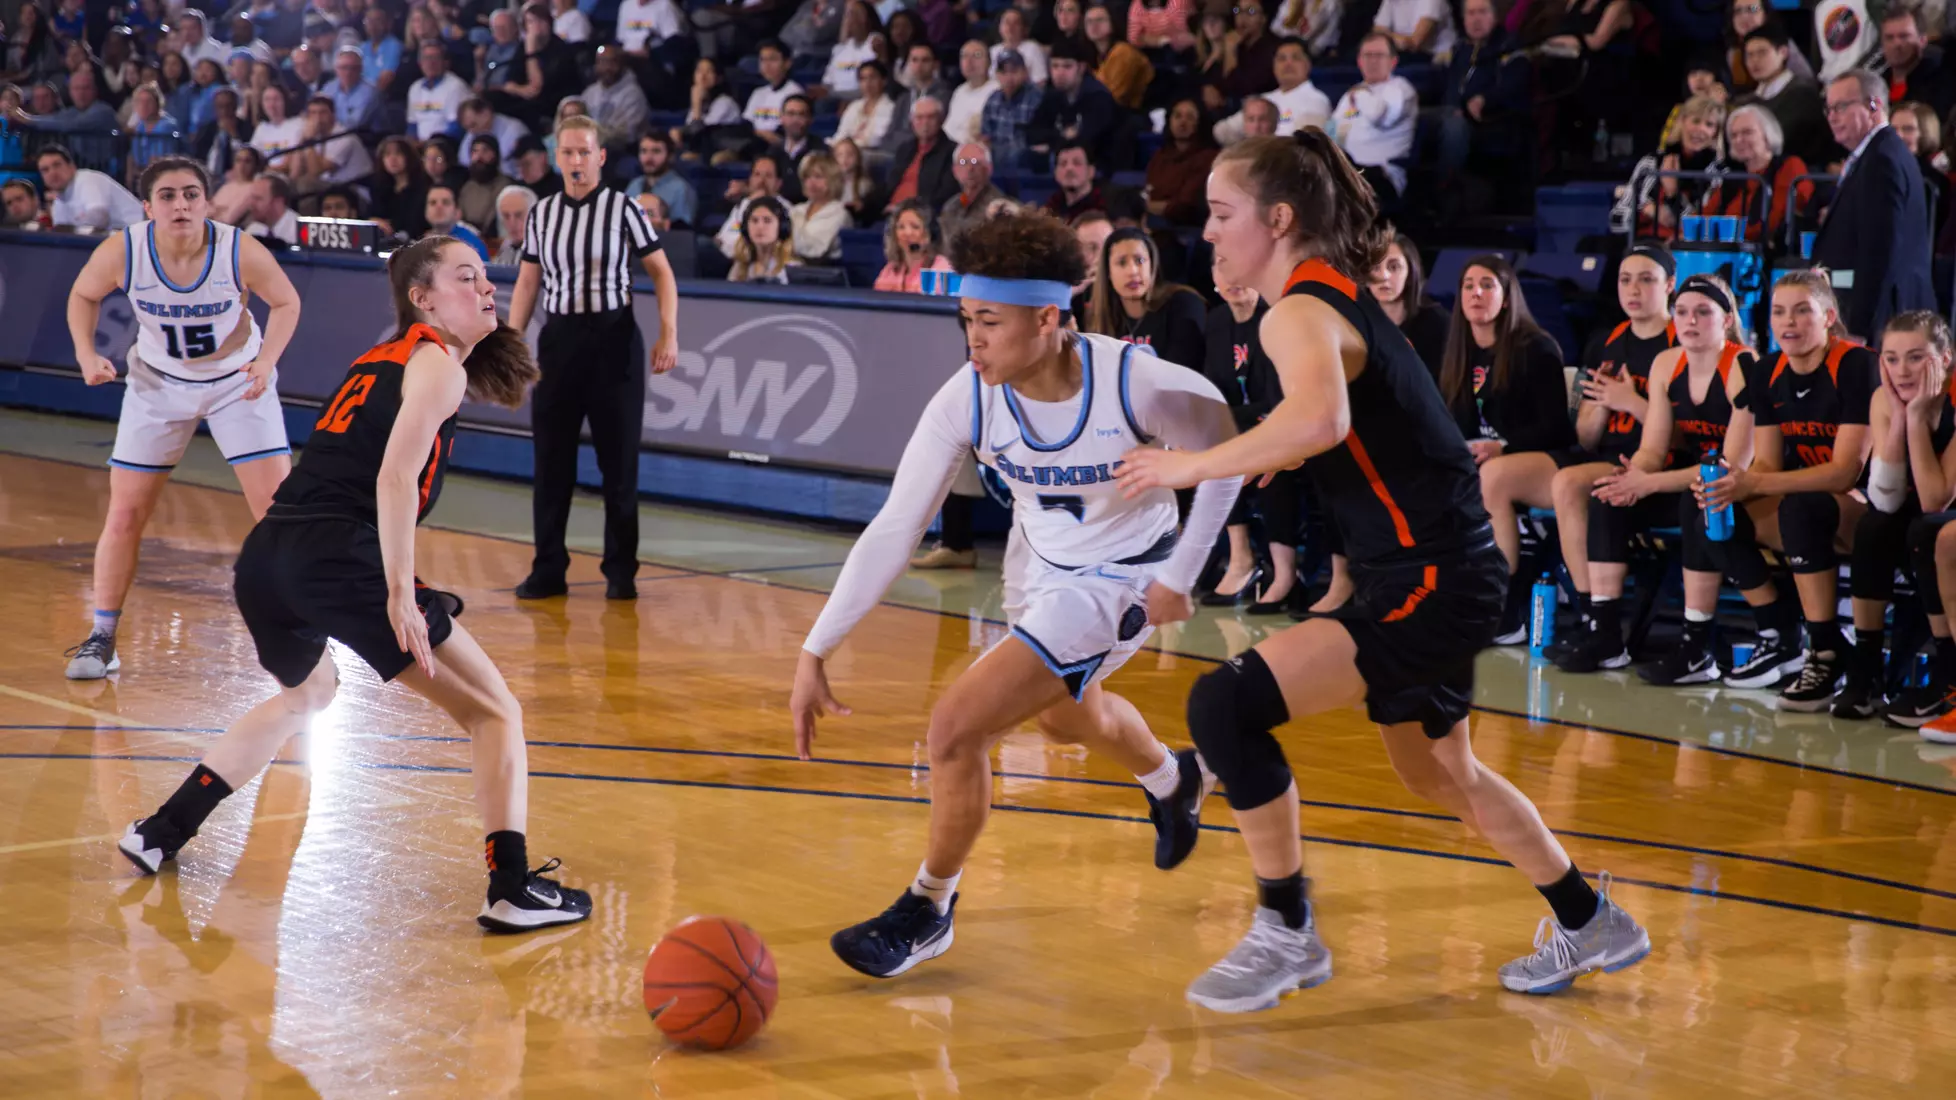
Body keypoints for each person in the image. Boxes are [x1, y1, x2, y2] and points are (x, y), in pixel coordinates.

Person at [1112, 131, 1648, 1011]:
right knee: (1441, 774)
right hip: (1445, 570)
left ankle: (1285, 931)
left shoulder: (1300, 311)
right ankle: (1589, 917)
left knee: (1222, 705)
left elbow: (1318, 422)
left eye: (1219, 214)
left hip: (1431, 577)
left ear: (1278, 220)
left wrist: (1184, 468)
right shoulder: (1320, 300)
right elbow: (1327, 429)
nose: (1204, 232)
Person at [790, 210, 1243, 978]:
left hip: (1124, 573)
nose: (973, 340)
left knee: (956, 728)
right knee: (1066, 716)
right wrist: (816, 647)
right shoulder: (967, 395)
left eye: (990, 322)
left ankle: (928, 906)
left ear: (1048, 318)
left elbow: (1229, 453)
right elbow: (899, 523)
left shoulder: (1136, 380)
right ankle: (1178, 779)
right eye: (966, 319)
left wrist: (1180, 574)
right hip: (1040, 564)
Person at [116, 234, 593, 935]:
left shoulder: (379, 359)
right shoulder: (436, 366)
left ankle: (162, 828)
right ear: (421, 299)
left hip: (269, 557)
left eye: (485, 276)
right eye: (466, 278)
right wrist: (400, 590)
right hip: (336, 559)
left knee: (308, 694)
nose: (486, 287)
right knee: (496, 713)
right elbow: (393, 478)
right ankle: (510, 888)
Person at [60, 157, 302, 680]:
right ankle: (102, 638)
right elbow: (83, 295)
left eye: (191, 194)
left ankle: (301, 633)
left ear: (207, 202)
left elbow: (286, 302)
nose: (181, 205)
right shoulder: (125, 249)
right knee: (125, 514)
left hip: (238, 383)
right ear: (147, 208)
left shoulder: (237, 248)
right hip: (158, 386)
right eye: (167, 196)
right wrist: (85, 352)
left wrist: (265, 362)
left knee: (278, 516)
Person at [508, 116, 681, 601]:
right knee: (551, 463)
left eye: (585, 152)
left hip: (614, 341)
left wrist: (669, 333)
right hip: (559, 343)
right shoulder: (541, 214)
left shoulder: (624, 209)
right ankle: (548, 568)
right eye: (568, 152)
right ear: (557, 157)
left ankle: (621, 571)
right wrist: (510, 344)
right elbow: (527, 282)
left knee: (619, 463)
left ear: (600, 157)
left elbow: (662, 273)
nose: (577, 161)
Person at [1697, 270, 1877, 707]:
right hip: (1809, 504)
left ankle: (1826, 650)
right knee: (1709, 503)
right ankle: (1777, 629)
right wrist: (1732, 483)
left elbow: (1844, 474)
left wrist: (1755, 481)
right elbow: (1769, 464)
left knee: (1802, 508)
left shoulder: (1856, 365)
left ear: (1828, 317)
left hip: (1870, 510)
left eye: (1802, 311)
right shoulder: (1769, 370)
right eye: (1779, 312)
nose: (1788, 322)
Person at [1591, 274, 1755, 687]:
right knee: (1608, 495)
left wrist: (1648, 483)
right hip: (1688, 479)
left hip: (1739, 490)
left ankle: (1697, 647)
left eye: (1703, 312)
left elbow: (1732, 466)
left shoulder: (1742, 365)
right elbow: (1653, 446)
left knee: (1695, 499)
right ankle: (1606, 635)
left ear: (1727, 319)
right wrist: (1635, 475)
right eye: (1681, 312)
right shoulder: (1667, 363)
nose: (1690, 320)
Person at [1542, 246, 1680, 671]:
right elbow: (1585, 437)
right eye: (1624, 279)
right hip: (1611, 459)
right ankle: (1592, 618)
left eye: (1646, 279)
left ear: (1669, 286)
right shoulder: (1607, 341)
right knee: (1566, 481)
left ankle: (1598, 624)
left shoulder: (1683, 339)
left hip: (1669, 467)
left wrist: (1630, 401)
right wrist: (1602, 404)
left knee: (1570, 483)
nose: (1633, 289)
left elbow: (1698, 428)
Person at [1438, 254, 1574, 641]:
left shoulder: (1537, 348)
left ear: (1507, 297)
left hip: (1545, 461)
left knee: (1492, 476)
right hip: (1483, 462)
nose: (1476, 294)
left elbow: (1557, 429)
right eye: (1468, 286)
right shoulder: (1459, 353)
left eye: (1486, 285)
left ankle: (1506, 606)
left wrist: (1505, 447)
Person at [1834, 311, 1956, 721]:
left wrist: (1917, 419)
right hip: (1923, 521)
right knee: (1874, 526)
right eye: (1891, 358)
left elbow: (1936, 500)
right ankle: (1866, 670)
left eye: (1916, 357)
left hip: (1943, 523)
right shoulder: (1883, 399)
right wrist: (1900, 418)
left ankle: (1947, 672)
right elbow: (1884, 499)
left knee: (1925, 529)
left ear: (1945, 359)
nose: (1901, 371)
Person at [1809, 69, 1936, 342]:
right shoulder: (1877, 154)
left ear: (1874, 105)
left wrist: (1859, 328)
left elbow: (1880, 250)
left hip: (1882, 321)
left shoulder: (1882, 159)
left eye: (1841, 107)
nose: (1832, 116)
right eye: (1828, 109)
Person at [1085, 226, 1207, 372]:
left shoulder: (1183, 304)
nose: (1133, 271)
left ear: (1152, 265)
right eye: (1122, 263)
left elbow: (1180, 376)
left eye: (1140, 260)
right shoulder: (1102, 318)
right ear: (1108, 273)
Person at [1700, 103, 1814, 247]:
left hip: (1770, 254)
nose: (1739, 140)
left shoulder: (1789, 166)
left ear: (1768, 134)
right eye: (1734, 135)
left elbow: (1777, 218)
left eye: (1747, 132)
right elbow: (1705, 217)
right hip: (1730, 250)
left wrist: (1734, 236)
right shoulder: (1733, 178)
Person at [1327, 33, 1417, 203]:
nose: (1372, 61)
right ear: (1359, 61)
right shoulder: (1351, 94)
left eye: (1379, 55)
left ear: (1393, 61)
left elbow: (1379, 116)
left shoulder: (1401, 89)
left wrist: (1361, 94)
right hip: (1348, 171)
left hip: (1382, 176)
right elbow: (1332, 132)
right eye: (1367, 55)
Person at [1738, 23, 1830, 168]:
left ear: (1783, 52)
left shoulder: (1802, 94)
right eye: (1749, 55)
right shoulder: (1746, 101)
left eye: (1762, 53)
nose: (1754, 61)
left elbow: (1784, 139)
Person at [1367, 228, 1447, 377]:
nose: (1383, 276)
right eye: (1375, 267)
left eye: (1394, 267)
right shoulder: (1358, 325)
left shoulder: (1438, 324)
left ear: (1411, 274)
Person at [1028, 39, 1116, 163]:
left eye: (1067, 66)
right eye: (1055, 66)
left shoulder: (1098, 97)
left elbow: (1089, 139)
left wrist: (1051, 143)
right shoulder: (1052, 95)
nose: (1060, 73)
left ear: (1081, 68)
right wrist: (1063, 136)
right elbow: (1033, 133)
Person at [875, 94, 958, 215]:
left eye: (930, 117)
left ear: (941, 120)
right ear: (912, 121)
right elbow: (889, 186)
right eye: (919, 118)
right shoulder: (905, 149)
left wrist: (905, 209)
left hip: (920, 217)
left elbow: (945, 196)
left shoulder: (953, 152)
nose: (925, 123)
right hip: (889, 214)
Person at [38, 144, 146, 231]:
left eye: (57, 165)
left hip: (143, 235)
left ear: (72, 166)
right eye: (45, 170)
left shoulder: (87, 179)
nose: (52, 173)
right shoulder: (59, 201)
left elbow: (99, 217)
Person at [1148, 98, 1218, 227]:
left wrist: (1146, 206)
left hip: (1186, 229)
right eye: (1177, 116)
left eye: (1190, 117)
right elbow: (1150, 191)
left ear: (1199, 123)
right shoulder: (1160, 155)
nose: (1182, 122)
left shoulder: (1207, 158)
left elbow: (1185, 207)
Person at [873, 198, 953, 291]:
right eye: (901, 227)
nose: (907, 233)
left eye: (915, 227)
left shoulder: (942, 268)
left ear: (930, 233)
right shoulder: (890, 269)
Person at [1084, 4, 1152, 109]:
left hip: (1132, 114)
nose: (1094, 25)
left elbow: (1114, 96)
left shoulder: (1123, 52)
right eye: (1089, 21)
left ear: (1113, 23)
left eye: (1100, 20)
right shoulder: (1098, 56)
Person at [980, 48, 1039, 171]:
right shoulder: (992, 100)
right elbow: (986, 138)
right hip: (997, 161)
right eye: (1003, 72)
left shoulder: (1036, 98)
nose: (1009, 77)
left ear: (1024, 72)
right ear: (996, 75)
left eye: (1014, 71)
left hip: (1026, 164)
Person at [937, 142, 1004, 247]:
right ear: (955, 170)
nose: (970, 169)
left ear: (989, 169)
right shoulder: (950, 207)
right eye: (964, 162)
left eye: (976, 162)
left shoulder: (1000, 207)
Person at [625, 131, 698, 227]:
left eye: (656, 151)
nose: (648, 158)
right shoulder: (634, 185)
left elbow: (683, 232)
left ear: (670, 156)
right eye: (644, 151)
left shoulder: (680, 189)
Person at [408, 40, 472, 140]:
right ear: (420, 63)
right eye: (427, 58)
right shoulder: (415, 88)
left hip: (445, 147)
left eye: (436, 58)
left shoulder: (455, 86)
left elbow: (457, 129)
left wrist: (431, 146)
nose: (431, 63)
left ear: (445, 62)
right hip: (422, 148)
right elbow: (412, 126)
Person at [371, 135, 433, 238]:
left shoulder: (423, 187)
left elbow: (417, 224)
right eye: (387, 154)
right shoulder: (379, 187)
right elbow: (373, 214)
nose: (392, 159)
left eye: (398, 153)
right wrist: (374, 221)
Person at [791, 152, 848, 261]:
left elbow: (816, 250)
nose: (811, 183)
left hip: (820, 271)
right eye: (807, 177)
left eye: (818, 177)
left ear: (832, 180)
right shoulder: (796, 210)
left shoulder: (839, 213)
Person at [729, 195, 797, 282]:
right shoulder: (739, 268)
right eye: (754, 221)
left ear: (781, 227)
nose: (760, 227)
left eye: (767, 220)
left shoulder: (792, 269)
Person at [458, 136, 514, 234]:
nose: (479, 156)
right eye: (475, 151)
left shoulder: (505, 185)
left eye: (485, 151)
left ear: (495, 155)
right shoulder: (467, 187)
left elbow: (493, 222)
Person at [945, 39, 995, 145]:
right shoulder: (959, 91)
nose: (969, 61)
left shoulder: (997, 91)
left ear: (989, 62)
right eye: (964, 56)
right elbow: (948, 129)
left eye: (977, 56)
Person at [1044, 141, 1105, 221]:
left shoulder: (1105, 206)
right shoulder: (1051, 207)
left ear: (1091, 171)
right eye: (1063, 164)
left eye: (1077, 163)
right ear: (1056, 173)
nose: (1069, 168)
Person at [246, 172, 301, 246]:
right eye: (252, 198)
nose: (251, 204)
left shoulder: (298, 231)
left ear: (278, 202)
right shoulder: (254, 229)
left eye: (258, 199)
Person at [493, 184, 539, 264]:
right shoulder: (506, 246)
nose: (512, 223)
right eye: (506, 216)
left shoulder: (544, 250)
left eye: (519, 215)